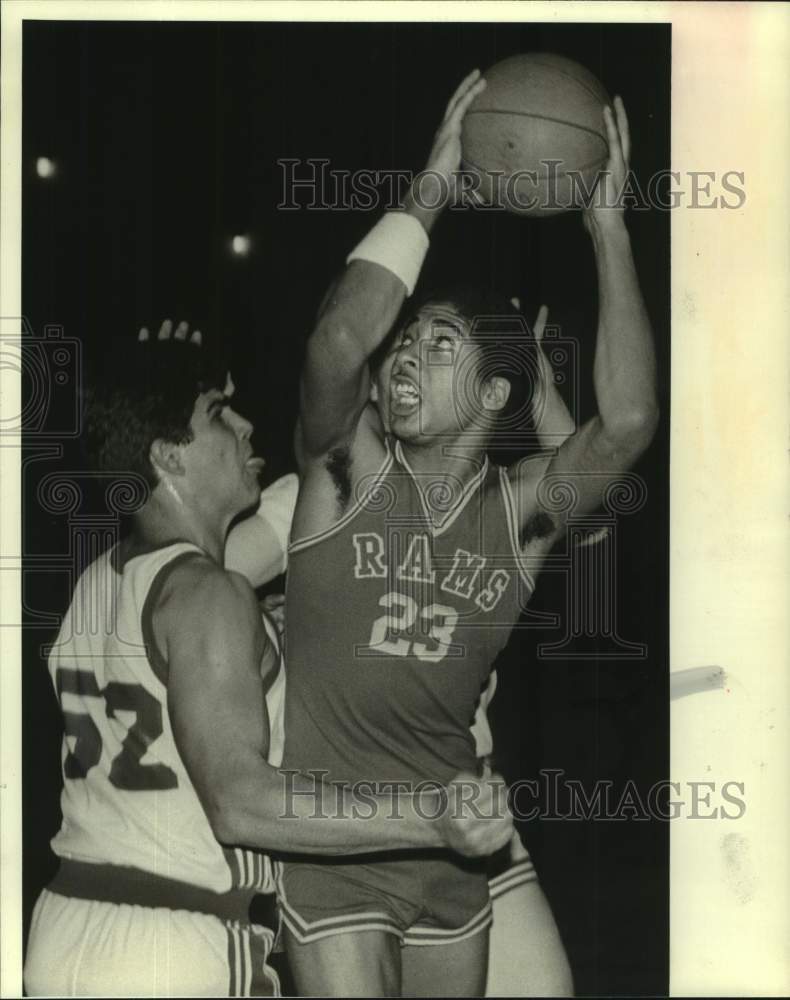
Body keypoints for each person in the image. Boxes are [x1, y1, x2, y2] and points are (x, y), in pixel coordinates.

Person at [279, 67, 658, 997]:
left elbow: (631, 423)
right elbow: (337, 343)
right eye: (404, 341)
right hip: (341, 841)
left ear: (495, 394)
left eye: (437, 343)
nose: (405, 352)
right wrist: (436, 183)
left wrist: (607, 229)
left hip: (458, 843)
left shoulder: (521, 515)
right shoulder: (349, 472)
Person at [23, 324, 513, 997]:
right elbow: (237, 800)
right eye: (219, 415)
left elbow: (273, 552)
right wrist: (431, 815)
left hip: (61, 930)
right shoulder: (207, 593)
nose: (246, 426)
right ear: (168, 455)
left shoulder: (97, 585)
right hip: (171, 942)